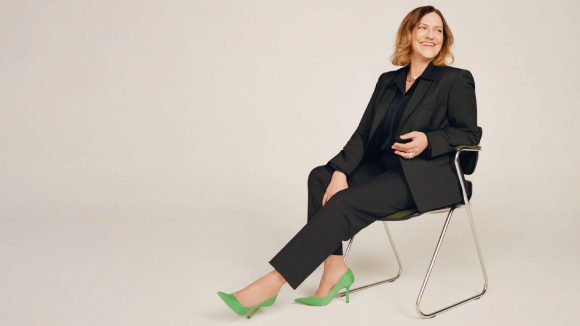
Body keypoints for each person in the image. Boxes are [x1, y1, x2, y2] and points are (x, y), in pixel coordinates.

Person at [217, 5, 482, 319]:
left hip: (428, 176)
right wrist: (341, 170)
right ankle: (334, 268)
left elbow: (469, 133)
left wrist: (429, 140)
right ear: (409, 33)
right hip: (387, 168)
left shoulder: (456, 80)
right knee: (320, 177)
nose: (431, 36)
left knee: (344, 203)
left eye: (438, 30)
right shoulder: (389, 81)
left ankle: (271, 284)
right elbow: (364, 132)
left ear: (444, 39)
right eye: (423, 28)